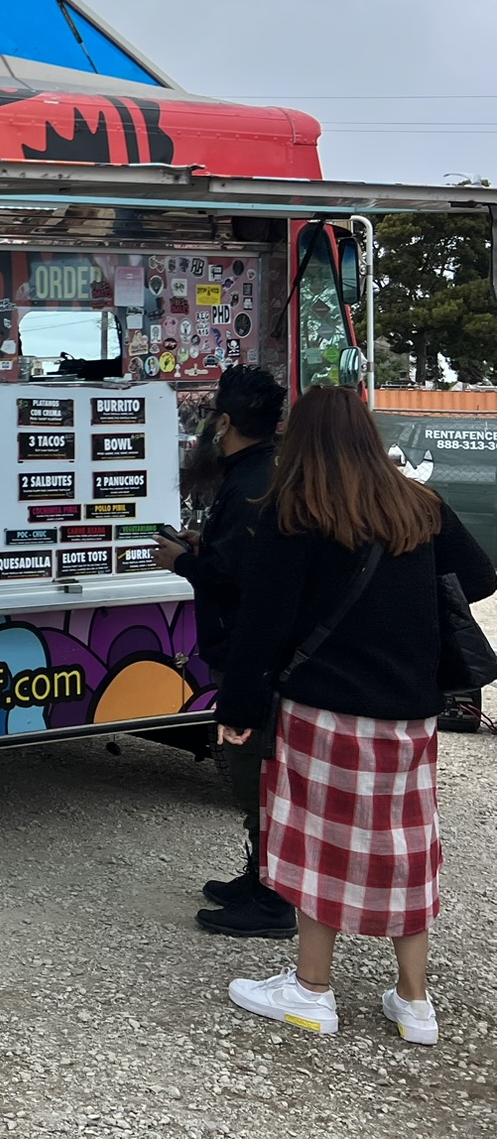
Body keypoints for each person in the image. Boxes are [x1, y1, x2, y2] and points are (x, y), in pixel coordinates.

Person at [216, 386, 495, 1043]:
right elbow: (481, 577)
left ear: (301, 440)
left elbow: (263, 624)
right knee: (405, 849)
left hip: (325, 710)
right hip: (411, 714)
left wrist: (239, 708)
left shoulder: (296, 512)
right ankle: (415, 1003)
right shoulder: (419, 504)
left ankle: (312, 990)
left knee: (317, 846)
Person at [154, 365, 289, 937]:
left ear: (226, 422)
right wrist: (204, 546)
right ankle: (259, 876)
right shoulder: (261, 472)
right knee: (251, 766)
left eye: (213, 417)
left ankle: (272, 899)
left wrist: (183, 562)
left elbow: (238, 580)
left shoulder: (252, 482)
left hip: (247, 651)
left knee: (251, 768)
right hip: (248, 648)